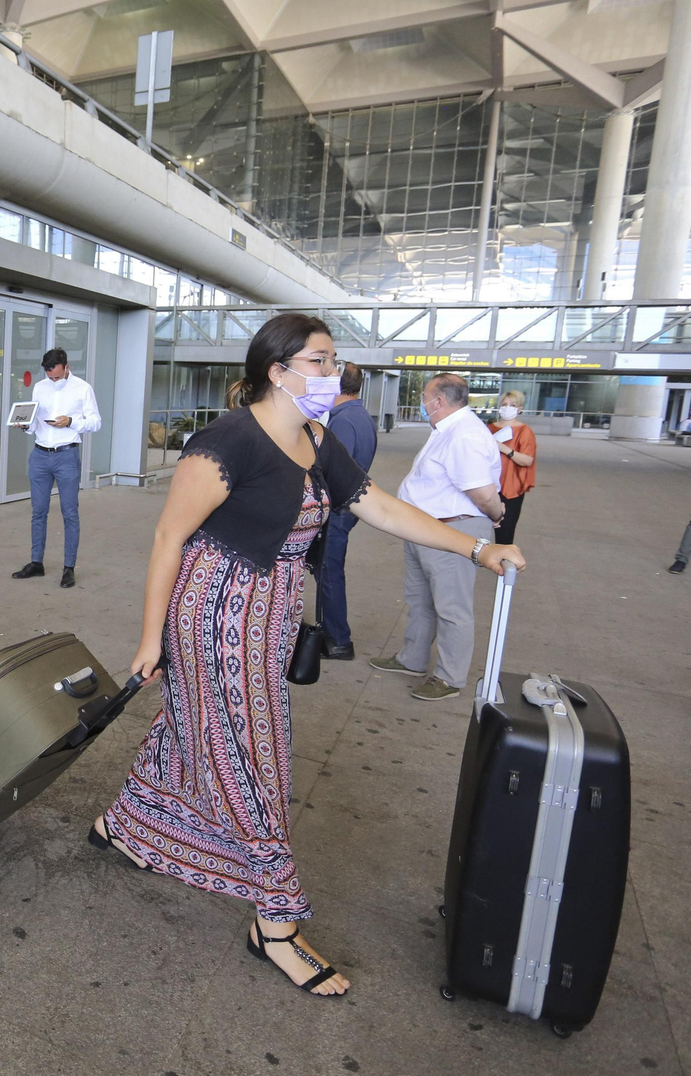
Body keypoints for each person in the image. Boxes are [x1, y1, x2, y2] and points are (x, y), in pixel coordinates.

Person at [87, 315, 524, 998]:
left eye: (332, 359)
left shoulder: (316, 440)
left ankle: (125, 826)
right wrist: (152, 640)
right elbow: (169, 538)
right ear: (278, 370)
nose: (332, 372)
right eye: (319, 361)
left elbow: (376, 504)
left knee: (194, 731)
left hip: (270, 616)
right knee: (254, 759)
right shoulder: (227, 441)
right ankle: (277, 924)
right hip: (216, 614)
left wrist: (475, 547)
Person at [370, 373, 506, 701]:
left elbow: (484, 494)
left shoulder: (465, 435)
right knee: (420, 600)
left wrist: (498, 515)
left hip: (452, 530)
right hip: (423, 528)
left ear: (439, 401)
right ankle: (412, 659)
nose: (421, 403)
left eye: (424, 396)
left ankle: (450, 677)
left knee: (451, 607)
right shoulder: (446, 429)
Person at [10, 347, 101, 588]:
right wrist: (24, 426)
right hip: (40, 455)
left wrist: (71, 421)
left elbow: (95, 422)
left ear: (66, 367)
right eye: (50, 376)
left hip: (66, 455)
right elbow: (34, 422)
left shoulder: (82, 388)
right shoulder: (40, 387)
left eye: (57, 377)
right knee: (38, 512)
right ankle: (36, 563)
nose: (53, 380)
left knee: (70, 513)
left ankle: (69, 567)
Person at [316, 361, 377, 660]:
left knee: (329, 573)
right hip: (349, 507)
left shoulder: (343, 421)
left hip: (338, 509)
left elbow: (333, 469)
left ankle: (338, 640)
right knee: (329, 571)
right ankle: (334, 633)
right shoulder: (360, 415)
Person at [488, 390, 536, 544]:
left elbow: (527, 460)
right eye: (504, 404)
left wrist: (503, 448)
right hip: (487, 485)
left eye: (512, 405)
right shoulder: (489, 429)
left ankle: (503, 564)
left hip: (511, 488)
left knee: (505, 533)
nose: (507, 408)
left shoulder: (524, 431)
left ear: (520, 408)